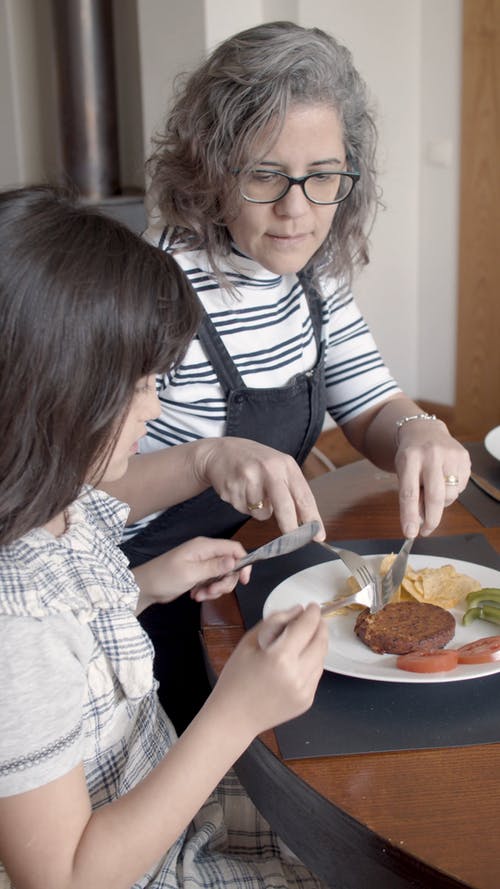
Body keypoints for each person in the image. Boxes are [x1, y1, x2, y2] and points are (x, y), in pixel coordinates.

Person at [104, 21, 470, 729]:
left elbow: (368, 408)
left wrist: (420, 432)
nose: (297, 210)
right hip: (145, 612)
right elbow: (73, 503)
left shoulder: (311, 275)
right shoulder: (150, 290)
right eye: (265, 174)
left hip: (255, 579)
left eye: (323, 176)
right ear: (211, 166)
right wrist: (208, 460)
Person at [0, 185, 328, 889]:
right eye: (144, 384)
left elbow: (77, 634)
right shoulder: (13, 628)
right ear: (56, 393)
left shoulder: (52, 505)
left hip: (174, 816)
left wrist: (150, 581)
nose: (156, 404)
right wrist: (236, 710)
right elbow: (64, 877)